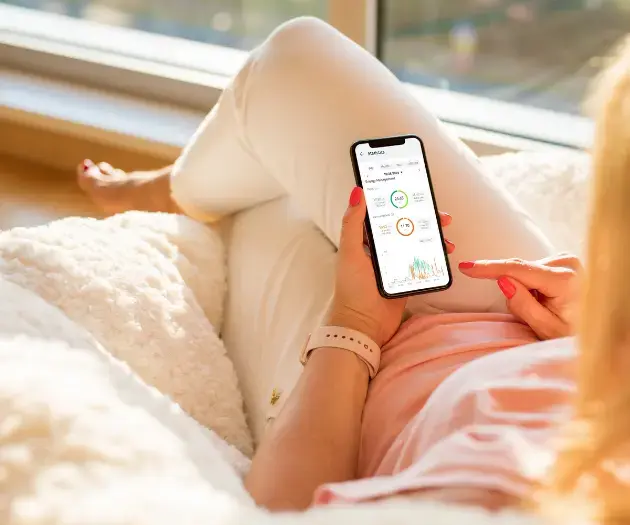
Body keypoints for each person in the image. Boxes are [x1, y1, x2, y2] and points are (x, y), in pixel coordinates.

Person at [77, 17, 629, 522]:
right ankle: (189, 190)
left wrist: (353, 324)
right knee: (295, 59)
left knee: (276, 204)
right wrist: (602, 329)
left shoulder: (495, 494)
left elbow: (286, 509)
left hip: (354, 395)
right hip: (529, 316)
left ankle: (186, 196)